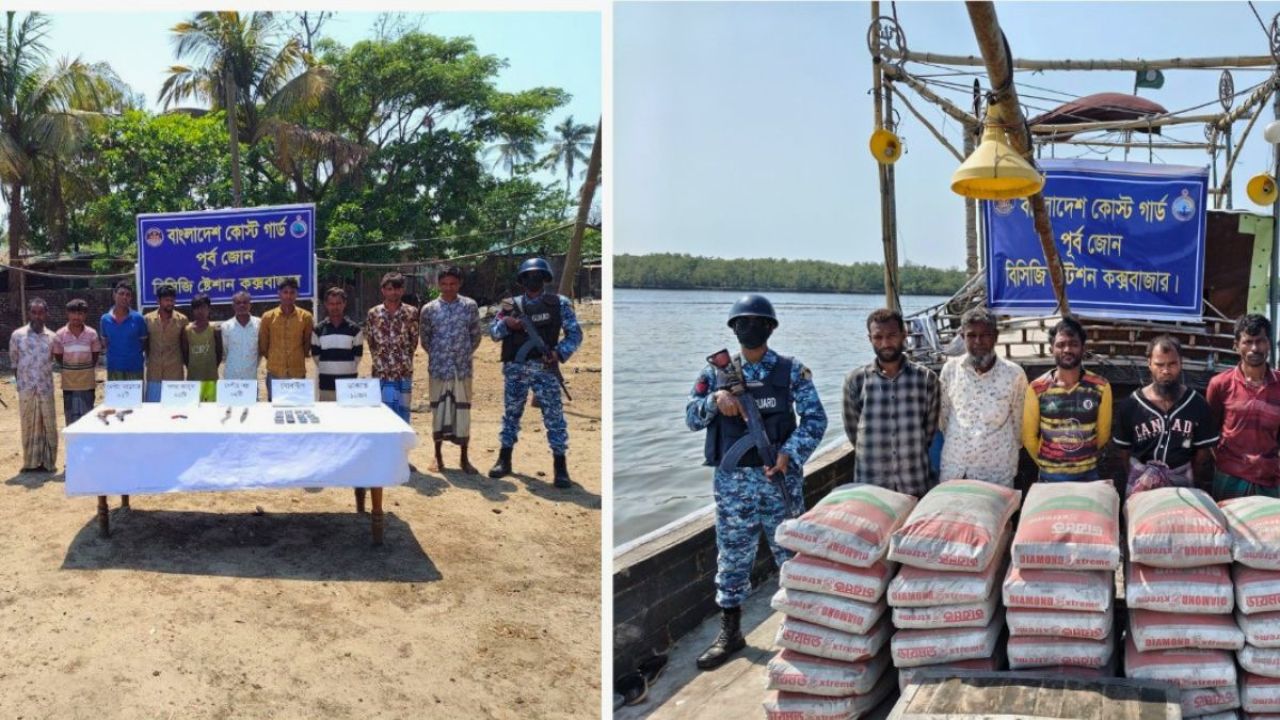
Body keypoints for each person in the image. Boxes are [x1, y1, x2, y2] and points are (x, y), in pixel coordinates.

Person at [685, 293, 827, 670]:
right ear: (733, 329)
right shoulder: (715, 374)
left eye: (757, 323)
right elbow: (691, 417)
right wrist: (715, 400)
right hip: (733, 489)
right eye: (742, 323)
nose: (749, 328)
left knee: (791, 557)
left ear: (770, 328)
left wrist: (789, 453)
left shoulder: (791, 371)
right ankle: (730, 633)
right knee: (732, 558)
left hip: (779, 482)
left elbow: (816, 420)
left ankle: (800, 629)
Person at [488, 258, 583, 487]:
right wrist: (507, 324)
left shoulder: (559, 303)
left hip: (545, 369)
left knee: (554, 417)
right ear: (522, 280)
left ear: (545, 278)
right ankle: (504, 459)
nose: (533, 280)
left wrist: (558, 353)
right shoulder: (510, 305)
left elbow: (575, 335)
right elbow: (494, 333)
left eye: (538, 276)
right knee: (511, 415)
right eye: (529, 276)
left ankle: (560, 467)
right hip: (516, 369)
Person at [843, 308, 940, 496]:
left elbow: (929, 431)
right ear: (870, 339)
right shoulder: (855, 381)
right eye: (878, 337)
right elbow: (853, 430)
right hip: (871, 483)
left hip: (915, 480)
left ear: (904, 334)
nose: (885, 343)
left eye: (892, 335)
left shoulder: (927, 379)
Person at [1113, 335, 1217, 496]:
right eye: (1159, 364)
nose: (1166, 371)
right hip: (1140, 480)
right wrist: (1142, 476)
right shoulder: (1131, 405)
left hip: (1182, 480)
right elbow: (1123, 452)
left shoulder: (1197, 404)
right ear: (1149, 363)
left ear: (1181, 363)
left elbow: (1202, 453)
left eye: (1172, 364)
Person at [938, 307, 1027, 486]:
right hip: (955, 470)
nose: (978, 341)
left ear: (996, 336)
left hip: (997, 473)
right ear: (962, 337)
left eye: (985, 335)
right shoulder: (950, 370)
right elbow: (944, 418)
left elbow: (1019, 424)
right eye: (971, 335)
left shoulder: (1014, 374)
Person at [1022, 316, 1113, 482]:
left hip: (1088, 475)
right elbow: (1029, 437)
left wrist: (1081, 461)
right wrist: (1049, 464)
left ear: (1083, 348)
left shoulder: (1101, 387)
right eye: (1060, 345)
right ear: (1051, 349)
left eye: (1074, 344)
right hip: (1050, 476)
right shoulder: (1037, 388)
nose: (1067, 349)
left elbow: (1103, 435)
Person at [1206, 313, 1280, 499]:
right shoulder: (1220, 384)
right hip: (1229, 477)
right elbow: (1209, 433)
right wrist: (1224, 462)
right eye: (1248, 342)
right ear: (1236, 345)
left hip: (1271, 479)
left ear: (1269, 344)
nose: (1254, 348)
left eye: (1260, 341)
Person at [420, 266, 483, 473]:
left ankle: (464, 458)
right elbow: (425, 339)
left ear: (460, 284)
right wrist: (440, 355)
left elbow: (475, 335)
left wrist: (461, 354)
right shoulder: (429, 309)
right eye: (444, 284)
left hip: (461, 369)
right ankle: (437, 456)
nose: (448, 288)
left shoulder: (469, 306)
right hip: (438, 369)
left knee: (462, 413)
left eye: (453, 284)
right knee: (438, 412)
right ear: (438, 284)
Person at [365, 272, 419, 424]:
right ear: (383, 290)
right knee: (382, 415)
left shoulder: (411, 313)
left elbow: (413, 341)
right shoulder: (373, 313)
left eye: (397, 288)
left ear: (402, 290)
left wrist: (402, 358)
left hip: (403, 372)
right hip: (381, 372)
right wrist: (381, 360)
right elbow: (371, 342)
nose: (393, 292)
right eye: (389, 289)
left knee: (402, 414)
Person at [10, 298, 57, 472]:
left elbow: (55, 360)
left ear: (46, 314)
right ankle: (30, 463)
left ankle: (48, 463)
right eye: (34, 312)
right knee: (28, 425)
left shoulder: (52, 337)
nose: (38, 316)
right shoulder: (17, 335)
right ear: (29, 313)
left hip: (45, 388)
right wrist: (22, 384)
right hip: (26, 389)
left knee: (48, 426)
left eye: (41, 312)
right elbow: (14, 363)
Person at [259, 277, 313, 400]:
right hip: (275, 373)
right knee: (274, 407)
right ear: (279, 294)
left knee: (298, 406)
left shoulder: (306, 317)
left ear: (297, 294)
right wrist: (275, 358)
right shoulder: (268, 317)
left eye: (292, 292)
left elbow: (307, 343)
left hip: (297, 372)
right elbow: (264, 345)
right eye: (285, 292)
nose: (288, 296)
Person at [52, 298, 102, 427]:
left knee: (88, 414)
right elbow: (58, 357)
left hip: (87, 382)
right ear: (67, 314)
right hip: (69, 383)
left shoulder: (92, 334)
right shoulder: (60, 334)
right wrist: (72, 368)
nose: (76, 317)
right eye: (73, 313)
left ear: (85, 315)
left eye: (80, 313)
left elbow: (95, 355)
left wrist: (83, 369)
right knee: (71, 415)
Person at [312, 287, 364, 402]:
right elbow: (316, 357)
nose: (335, 307)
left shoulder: (355, 330)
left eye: (338, 303)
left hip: (348, 386)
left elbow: (357, 357)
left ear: (344, 304)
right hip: (326, 385)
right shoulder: (318, 330)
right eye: (331, 303)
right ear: (326, 304)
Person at [144, 284, 188, 402]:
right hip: (154, 373)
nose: (170, 303)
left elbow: (185, 345)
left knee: (174, 408)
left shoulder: (182, 320)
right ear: (158, 301)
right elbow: (146, 344)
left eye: (172, 300)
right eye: (166, 300)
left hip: (174, 373)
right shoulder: (148, 319)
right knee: (153, 408)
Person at [99, 282, 148, 381]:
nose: (124, 297)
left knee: (136, 392)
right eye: (121, 294)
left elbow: (144, 343)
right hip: (114, 368)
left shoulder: (138, 318)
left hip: (135, 368)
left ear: (131, 298)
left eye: (128, 295)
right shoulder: (105, 319)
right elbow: (105, 342)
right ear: (114, 295)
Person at [180, 293, 222, 402]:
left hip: (210, 378)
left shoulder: (214, 329)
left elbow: (219, 353)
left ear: (209, 309)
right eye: (197, 308)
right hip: (193, 379)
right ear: (193, 310)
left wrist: (212, 367)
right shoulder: (187, 330)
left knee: (210, 408)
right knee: (194, 407)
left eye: (203, 307)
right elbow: (185, 355)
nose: (200, 311)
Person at [221, 291, 261, 383]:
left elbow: (260, 350)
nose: (242, 305)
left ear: (250, 305)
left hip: (251, 377)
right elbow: (225, 350)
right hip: (231, 376)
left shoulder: (259, 324)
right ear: (233, 306)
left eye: (245, 302)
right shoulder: (226, 326)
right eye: (238, 303)